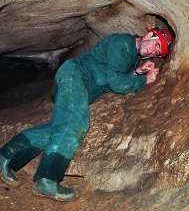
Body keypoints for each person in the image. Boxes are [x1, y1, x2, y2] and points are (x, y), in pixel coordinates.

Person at [0, 26, 173, 201]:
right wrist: (144, 79)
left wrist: (137, 71)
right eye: (156, 44)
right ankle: (47, 180)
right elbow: (116, 81)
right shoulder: (123, 43)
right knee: (76, 123)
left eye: (157, 53)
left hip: (76, 80)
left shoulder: (129, 53)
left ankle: (5, 156)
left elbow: (112, 71)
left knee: (58, 129)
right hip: (76, 75)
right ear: (149, 34)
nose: (153, 51)